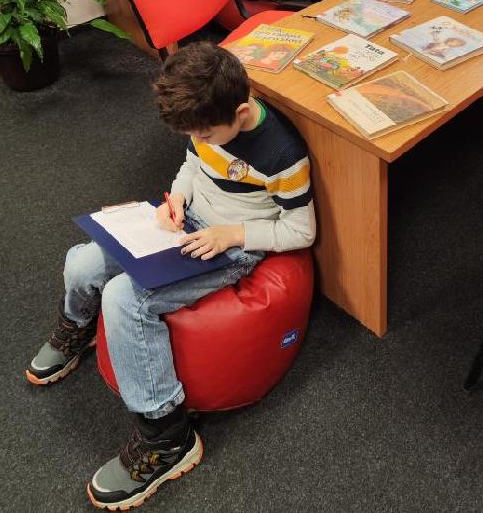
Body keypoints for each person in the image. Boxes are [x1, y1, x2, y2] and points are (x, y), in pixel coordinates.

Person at [26, 43, 316, 509]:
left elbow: (302, 230)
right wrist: (176, 198)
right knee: (82, 261)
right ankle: (77, 328)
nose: (200, 139)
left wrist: (230, 234)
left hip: (233, 247)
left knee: (124, 298)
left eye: (205, 133)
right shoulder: (207, 121)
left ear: (241, 113)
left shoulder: (282, 153)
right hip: (189, 224)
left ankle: (168, 437)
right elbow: (192, 164)